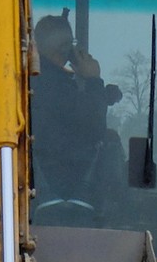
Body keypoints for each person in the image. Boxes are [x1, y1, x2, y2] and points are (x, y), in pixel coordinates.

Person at [31, 12, 116, 191]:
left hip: (42, 181)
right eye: (71, 45)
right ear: (65, 48)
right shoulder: (56, 86)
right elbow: (94, 128)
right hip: (66, 183)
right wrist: (93, 80)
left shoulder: (36, 80)